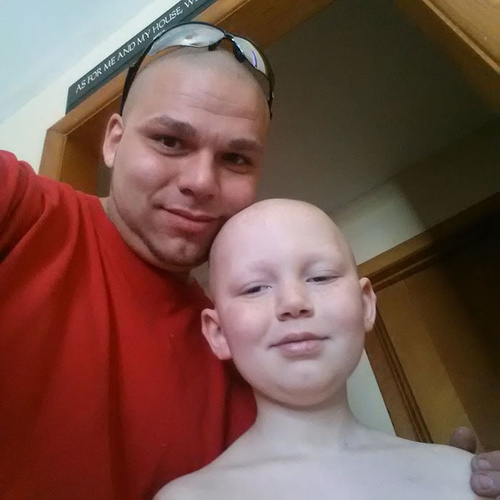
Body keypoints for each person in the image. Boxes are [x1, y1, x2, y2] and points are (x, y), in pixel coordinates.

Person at [0, 21, 498, 500]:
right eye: (170, 141)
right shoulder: (21, 210)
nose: (200, 181)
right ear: (114, 140)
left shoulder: (252, 356)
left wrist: (425, 479)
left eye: (235, 158)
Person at [155, 199, 487, 500]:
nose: (293, 302)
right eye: (255, 288)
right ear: (218, 333)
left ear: (365, 304)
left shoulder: (462, 476)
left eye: (321, 277)